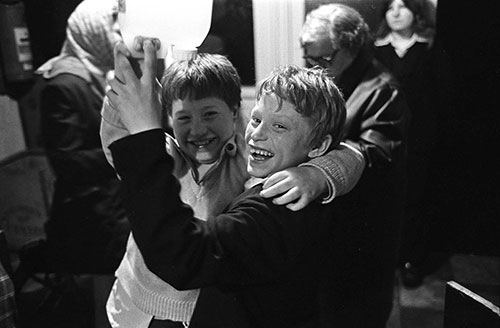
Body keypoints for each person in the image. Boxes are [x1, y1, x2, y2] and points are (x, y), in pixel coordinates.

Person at [101, 39, 364, 327]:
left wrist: (319, 173)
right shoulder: (164, 155)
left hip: (192, 311)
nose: (198, 128)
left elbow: (352, 154)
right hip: (134, 306)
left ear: (234, 112)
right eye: (184, 118)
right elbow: (126, 140)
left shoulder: (251, 167)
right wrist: (133, 77)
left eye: (210, 114)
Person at [299, 3, 409, 326]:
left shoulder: (383, 91)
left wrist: (318, 170)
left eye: (322, 59)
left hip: (362, 242)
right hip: (332, 238)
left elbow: (375, 155)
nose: (312, 68)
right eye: (308, 58)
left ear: (350, 48)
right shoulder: (333, 81)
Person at [33, 0, 129, 274]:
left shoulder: (102, 75)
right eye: (113, 28)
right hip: (89, 216)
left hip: (111, 204)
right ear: (90, 30)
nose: (119, 36)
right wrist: (125, 149)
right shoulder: (64, 84)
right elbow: (67, 162)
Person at [373, 0, 437, 288]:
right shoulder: (375, 50)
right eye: (390, 7)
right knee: (385, 198)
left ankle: (413, 260)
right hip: (383, 138)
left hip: (421, 140)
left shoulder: (430, 48)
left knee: (417, 199)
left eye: (403, 6)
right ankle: (386, 260)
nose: (395, 12)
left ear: (417, 12)